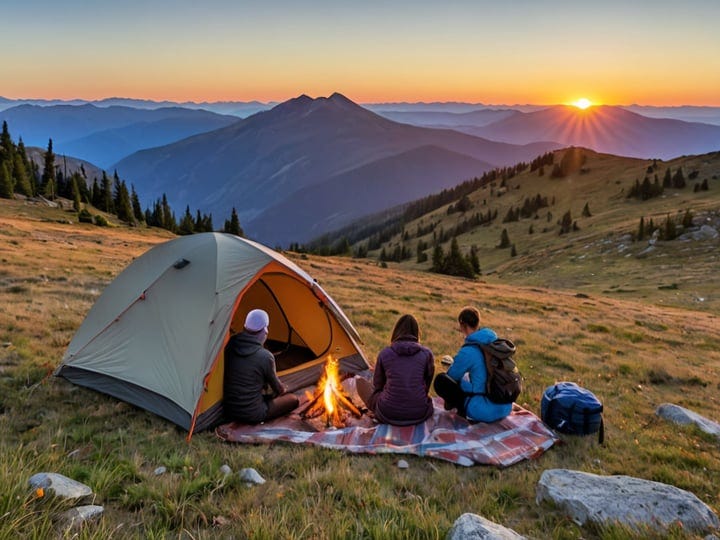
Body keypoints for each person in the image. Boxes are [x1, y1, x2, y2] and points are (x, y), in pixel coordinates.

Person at [433, 306, 512, 423]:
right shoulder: (495, 343)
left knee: (441, 380)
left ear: (462, 324)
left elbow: (451, 376)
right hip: (505, 406)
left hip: (483, 410)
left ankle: (460, 411)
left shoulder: (468, 351)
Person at [356, 314, 435, 426]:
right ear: (416, 333)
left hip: (387, 413)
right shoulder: (427, 354)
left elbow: (378, 385)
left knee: (360, 382)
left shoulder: (385, 353)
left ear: (396, 332)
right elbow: (427, 384)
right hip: (420, 413)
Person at [223, 308, 299, 424]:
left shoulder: (230, 344)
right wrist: (284, 388)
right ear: (265, 331)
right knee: (293, 400)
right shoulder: (265, 356)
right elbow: (278, 389)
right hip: (253, 414)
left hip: (228, 410)